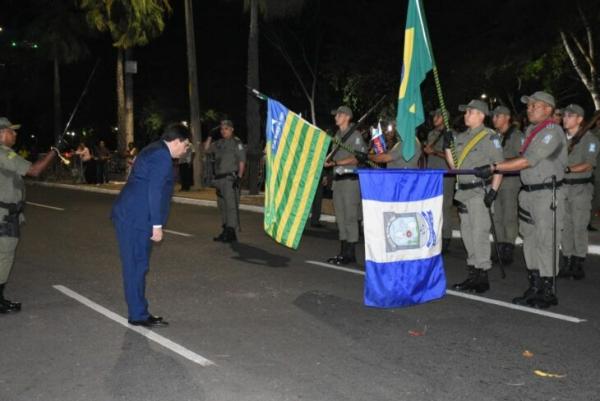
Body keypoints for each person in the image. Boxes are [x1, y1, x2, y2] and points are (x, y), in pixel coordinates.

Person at [474, 91, 567, 309]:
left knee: (546, 240)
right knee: (530, 240)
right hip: (528, 193)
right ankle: (534, 286)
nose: (529, 108)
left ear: (548, 109)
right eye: (528, 105)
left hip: (546, 193)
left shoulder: (552, 132)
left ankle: (547, 289)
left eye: (534, 105)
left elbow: (528, 160)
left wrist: (494, 167)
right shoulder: (531, 131)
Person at [111, 123, 190, 327]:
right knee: (136, 266)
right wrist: (156, 225)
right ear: (176, 141)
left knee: (138, 265)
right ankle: (137, 314)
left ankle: (139, 311)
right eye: (186, 144)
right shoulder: (162, 156)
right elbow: (154, 191)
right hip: (135, 217)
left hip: (134, 214)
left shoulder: (154, 148)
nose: (186, 149)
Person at [0, 117, 63, 313]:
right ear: (1, 133)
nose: (15, 134)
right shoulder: (4, 154)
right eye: (12, 131)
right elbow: (34, 170)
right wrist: (54, 152)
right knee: (4, 255)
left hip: (6, 212)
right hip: (3, 214)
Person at [447, 100, 503, 294]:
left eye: (469, 112)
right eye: (466, 112)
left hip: (480, 192)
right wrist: (448, 147)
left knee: (479, 234)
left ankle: (482, 276)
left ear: (481, 115)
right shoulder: (461, 137)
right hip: (463, 192)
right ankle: (473, 274)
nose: (466, 115)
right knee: (468, 235)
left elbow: (499, 166)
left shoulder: (490, 137)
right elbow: (455, 166)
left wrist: (494, 191)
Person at [558, 104, 599, 280]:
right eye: (564, 115)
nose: (565, 118)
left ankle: (578, 261)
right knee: (565, 226)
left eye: (570, 116)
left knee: (579, 225)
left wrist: (565, 170)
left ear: (580, 119)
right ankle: (567, 259)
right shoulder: (560, 139)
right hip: (563, 187)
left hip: (581, 188)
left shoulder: (590, 140)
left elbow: (588, 164)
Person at [323, 106, 367, 265]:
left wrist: (336, 162)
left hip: (350, 182)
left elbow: (358, 158)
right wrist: (330, 173)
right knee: (340, 218)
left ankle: (351, 254)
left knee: (350, 217)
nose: (336, 117)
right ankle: (342, 252)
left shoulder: (354, 135)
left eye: (338, 115)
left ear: (347, 117)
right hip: (338, 181)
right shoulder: (337, 135)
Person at [490, 106, 524, 264]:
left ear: (507, 118)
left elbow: (522, 158)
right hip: (495, 180)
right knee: (497, 215)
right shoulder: (494, 136)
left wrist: (500, 164)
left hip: (510, 181)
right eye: (494, 116)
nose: (494, 119)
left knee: (509, 215)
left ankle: (508, 247)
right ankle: (499, 246)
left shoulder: (517, 136)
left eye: (498, 116)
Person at [204, 120, 246, 242]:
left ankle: (231, 231)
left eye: (226, 128)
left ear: (232, 129)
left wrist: (239, 177)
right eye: (222, 129)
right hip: (219, 180)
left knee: (231, 206)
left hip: (230, 179)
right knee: (222, 206)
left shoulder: (236, 143)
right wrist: (210, 135)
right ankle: (226, 230)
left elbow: (242, 160)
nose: (223, 131)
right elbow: (206, 149)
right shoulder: (218, 143)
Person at [423, 109, 455, 252]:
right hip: (432, 174)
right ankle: (435, 235)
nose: (434, 118)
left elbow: (454, 157)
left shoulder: (451, 134)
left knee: (445, 207)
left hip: (445, 174)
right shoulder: (431, 134)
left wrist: (434, 152)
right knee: (433, 206)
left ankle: (446, 237)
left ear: (444, 118)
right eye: (434, 116)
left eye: (437, 116)